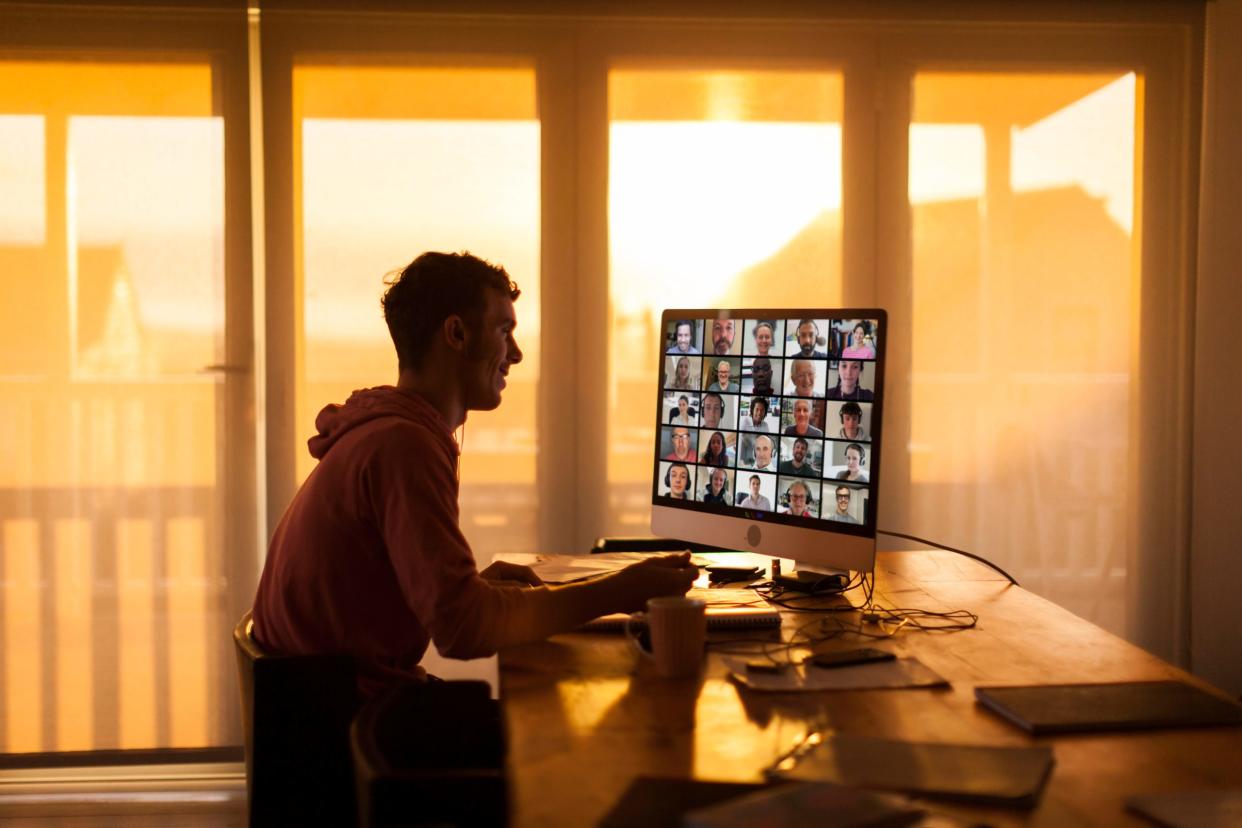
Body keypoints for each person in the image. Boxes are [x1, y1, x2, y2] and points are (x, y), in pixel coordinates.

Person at [252, 251, 696, 695]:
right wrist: (621, 591)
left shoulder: (386, 432)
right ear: (457, 334)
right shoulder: (404, 447)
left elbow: (407, 600)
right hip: (351, 730)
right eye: (505, 331)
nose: (516, 354)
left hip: (320, 710)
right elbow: (461, 628)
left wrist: (475, 588)